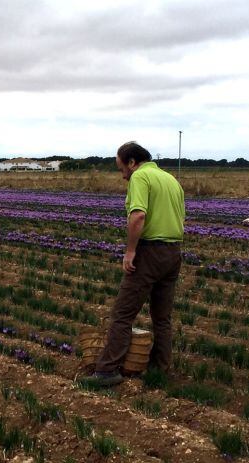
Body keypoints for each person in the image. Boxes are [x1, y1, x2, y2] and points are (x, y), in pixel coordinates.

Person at [80, 142, 185, 387]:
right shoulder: (171, 180)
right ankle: (160, 368)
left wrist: (130, 251)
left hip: (150, 252)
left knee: (122, 314)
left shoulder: (141, 177)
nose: (123, 175)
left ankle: (107, 371)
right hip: (173, 252)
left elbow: (138, 215)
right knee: (162, 317)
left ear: (131, 162)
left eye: (121, 168)